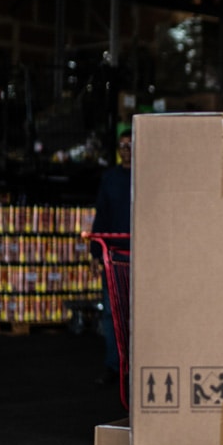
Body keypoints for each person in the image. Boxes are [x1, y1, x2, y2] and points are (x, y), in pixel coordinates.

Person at [91, 129, 132, 387]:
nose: (126, 150)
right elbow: (101, 215)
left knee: (137, 312)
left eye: (130, 145)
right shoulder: (110, 179)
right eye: (122, 145)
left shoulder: (146, 175)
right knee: (111, 312)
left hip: (140, 253)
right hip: (114, 255)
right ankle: (114, 366)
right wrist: (96, 252)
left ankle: (137, 365)